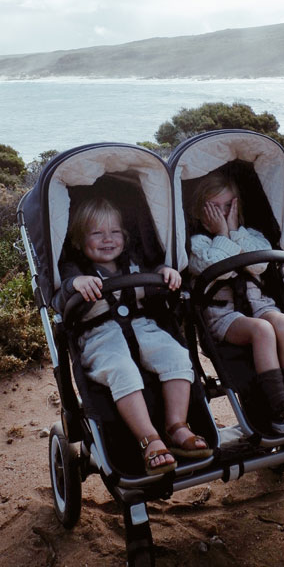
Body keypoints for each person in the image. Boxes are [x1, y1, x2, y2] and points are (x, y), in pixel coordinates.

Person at [55, 196, 211, 475]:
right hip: (100, 336)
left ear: (125, 237)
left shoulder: (134, 260)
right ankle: (149, 439)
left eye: (115, 232)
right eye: (97, 233)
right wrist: (76, 284)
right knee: (123, 371)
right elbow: (60, 294)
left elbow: (154, 275)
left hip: (142, 327)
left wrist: (166, 273)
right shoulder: (75, 269)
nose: (108, 239)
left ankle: (176, 426)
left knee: (177, 356)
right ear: (79, 241)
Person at [188, 172, 284, 437]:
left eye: (227, 207)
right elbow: (215, 269)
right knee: (263, 330)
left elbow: (259, 264)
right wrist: (222, 234)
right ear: (201, 212)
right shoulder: (198, 244)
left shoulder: (251, 235)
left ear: (237, 207)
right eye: (215, 208)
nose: (222, 214)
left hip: (259, 306)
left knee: (283, 322)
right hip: (224, 316)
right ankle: (280, 406)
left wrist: (234, 232)